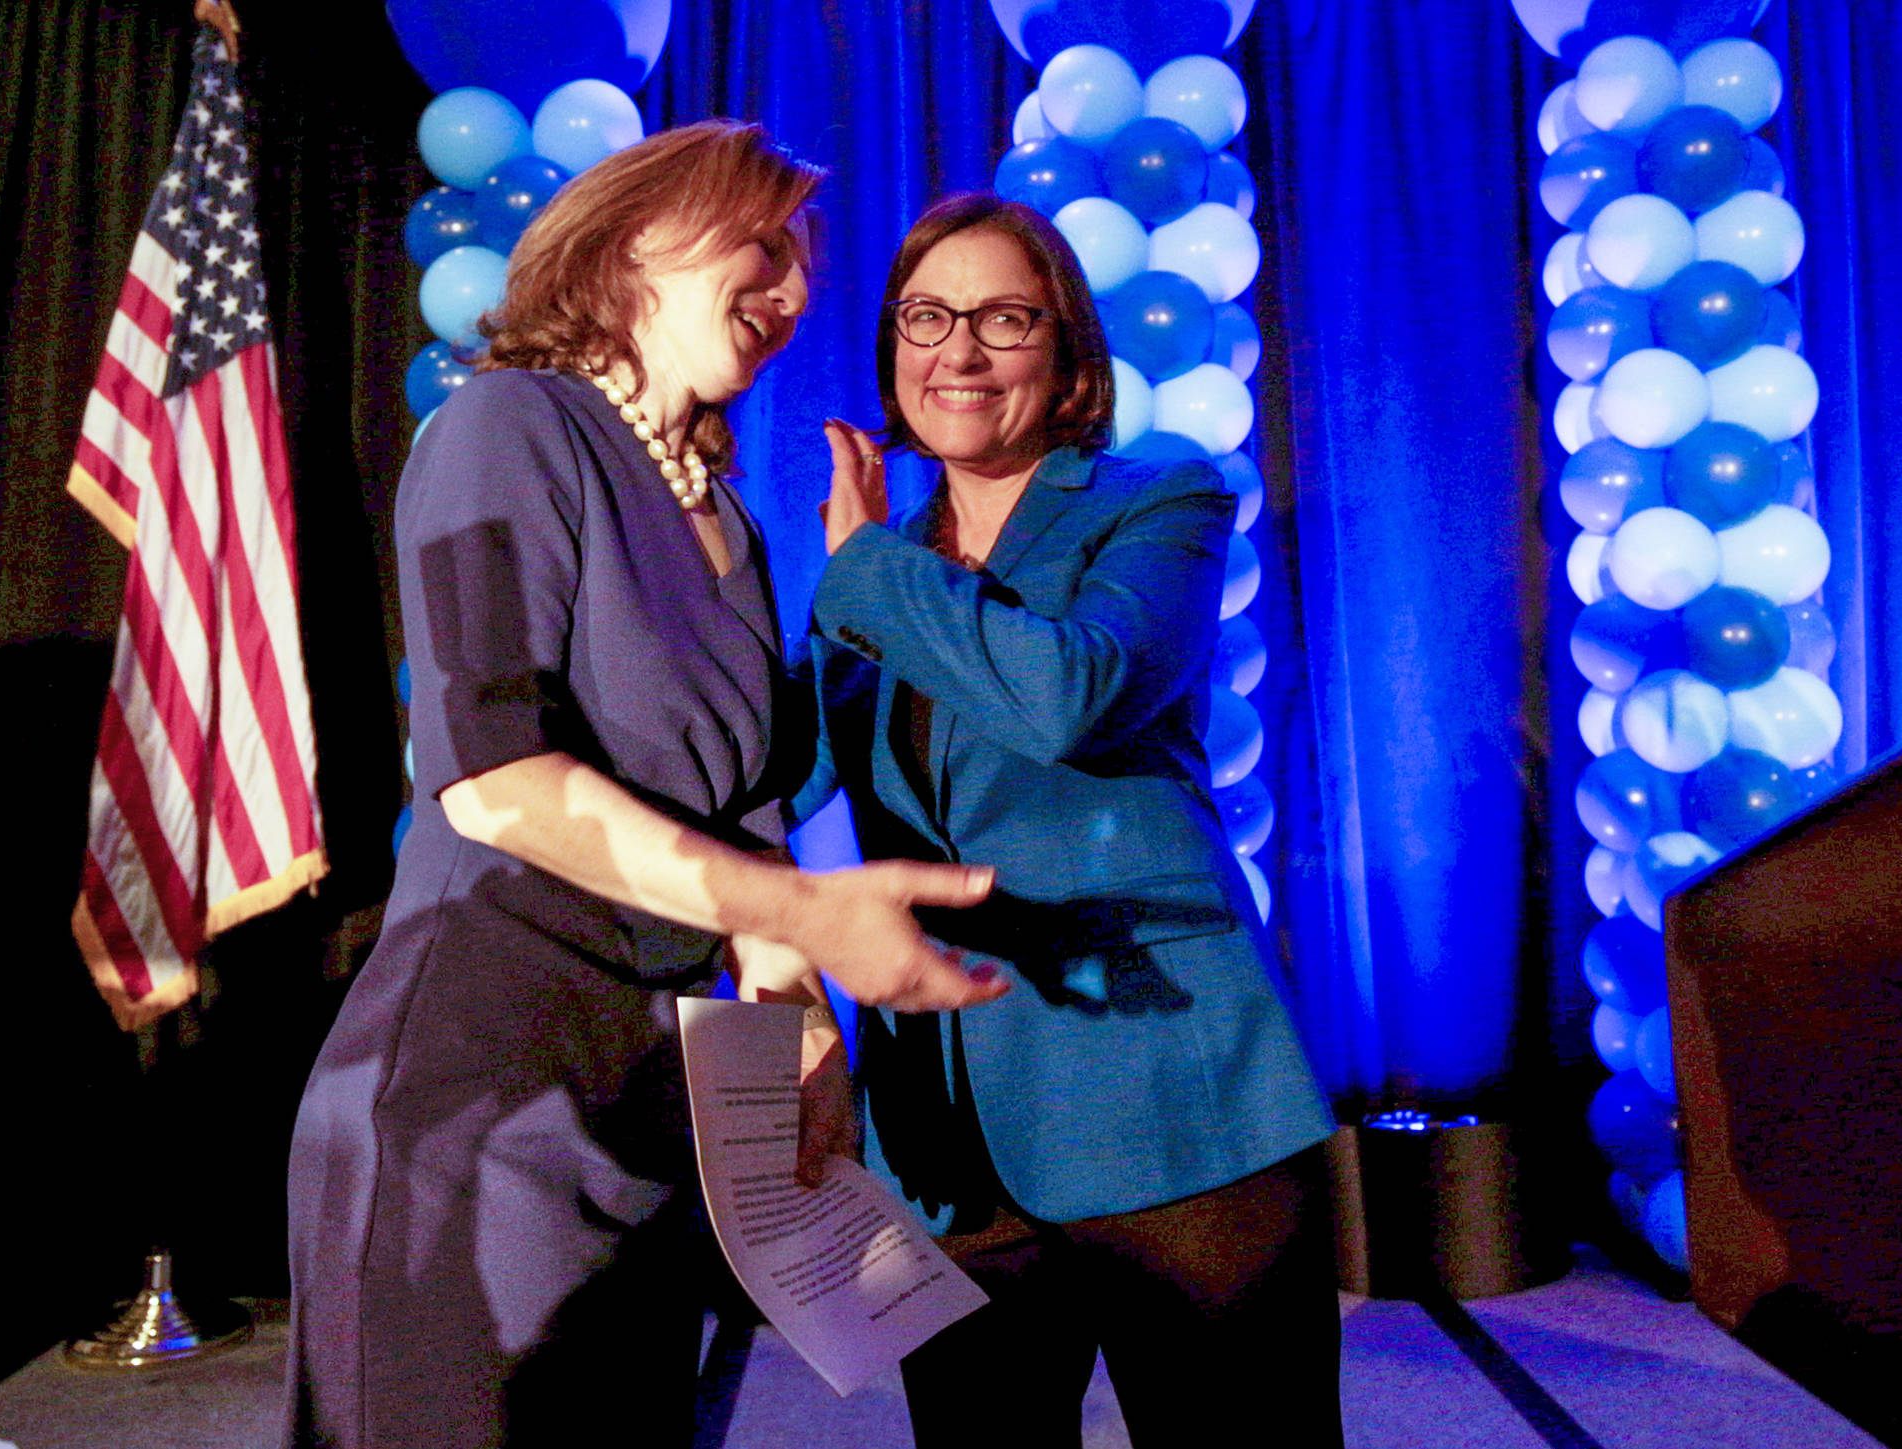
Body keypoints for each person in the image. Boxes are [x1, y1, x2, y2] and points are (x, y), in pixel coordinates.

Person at [280, 124, 1005, 1449]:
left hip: (647, 1111)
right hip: (476, 1107)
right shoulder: (505, 425)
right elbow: (492, 779)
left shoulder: (731, 521)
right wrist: (812, 919)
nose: (793, 290)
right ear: (634, 244)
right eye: (766, 245)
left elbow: (746, 814)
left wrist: (803, 1036)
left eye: (805, 267)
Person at [802, 194, 1341, 1448]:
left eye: (1002, 319)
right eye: (926, 318)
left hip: (1173, 1102)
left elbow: (1071, 698)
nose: (959, 352)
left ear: (1066, 352)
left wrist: (866, 569)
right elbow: (780, 771)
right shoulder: (873, 562)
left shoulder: (1157, 502)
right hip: (950, 1135)